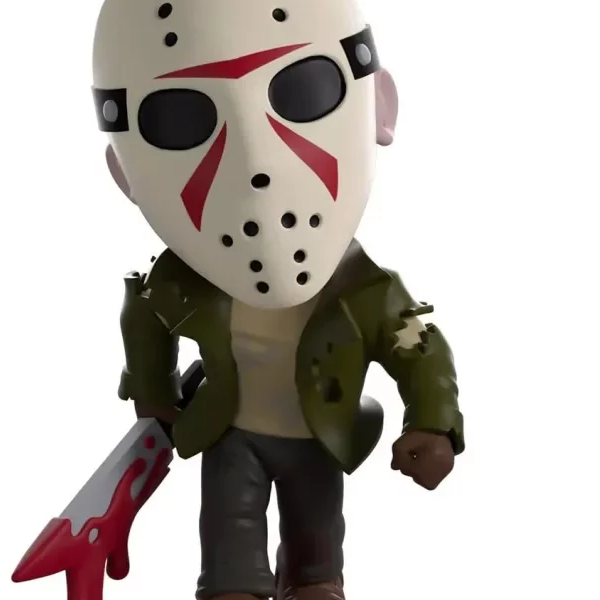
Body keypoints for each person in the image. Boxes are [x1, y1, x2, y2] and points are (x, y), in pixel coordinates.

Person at [92, 2, 465, 599]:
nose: (257, 163)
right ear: (125, 175)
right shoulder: (183, 281)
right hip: (229, 434)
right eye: (181, 118)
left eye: (304, 89)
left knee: (316, 566)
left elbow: (415, 344)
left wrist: (433, 420)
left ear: (380, 107)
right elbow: (147, 314)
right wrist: (153, 394)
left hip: (317, 437)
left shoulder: (366, 291)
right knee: (229, 570)